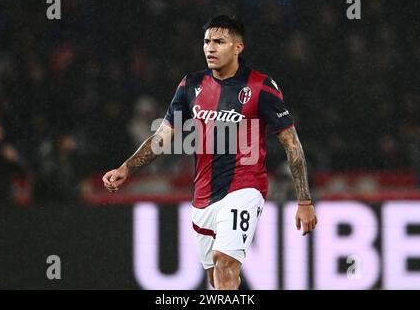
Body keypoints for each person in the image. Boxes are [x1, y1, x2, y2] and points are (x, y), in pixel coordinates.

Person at [102, 15, 317, 290]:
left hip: (245, 188)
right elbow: (163, 137)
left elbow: (291, 143)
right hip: (202, 197)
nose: (210, 48)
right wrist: (126, 168)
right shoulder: (190, 85)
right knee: (217, 280)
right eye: (206, 42)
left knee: (225, 263)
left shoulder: (260, 86)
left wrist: (304, 200)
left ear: (238, 47)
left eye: (219, 41)